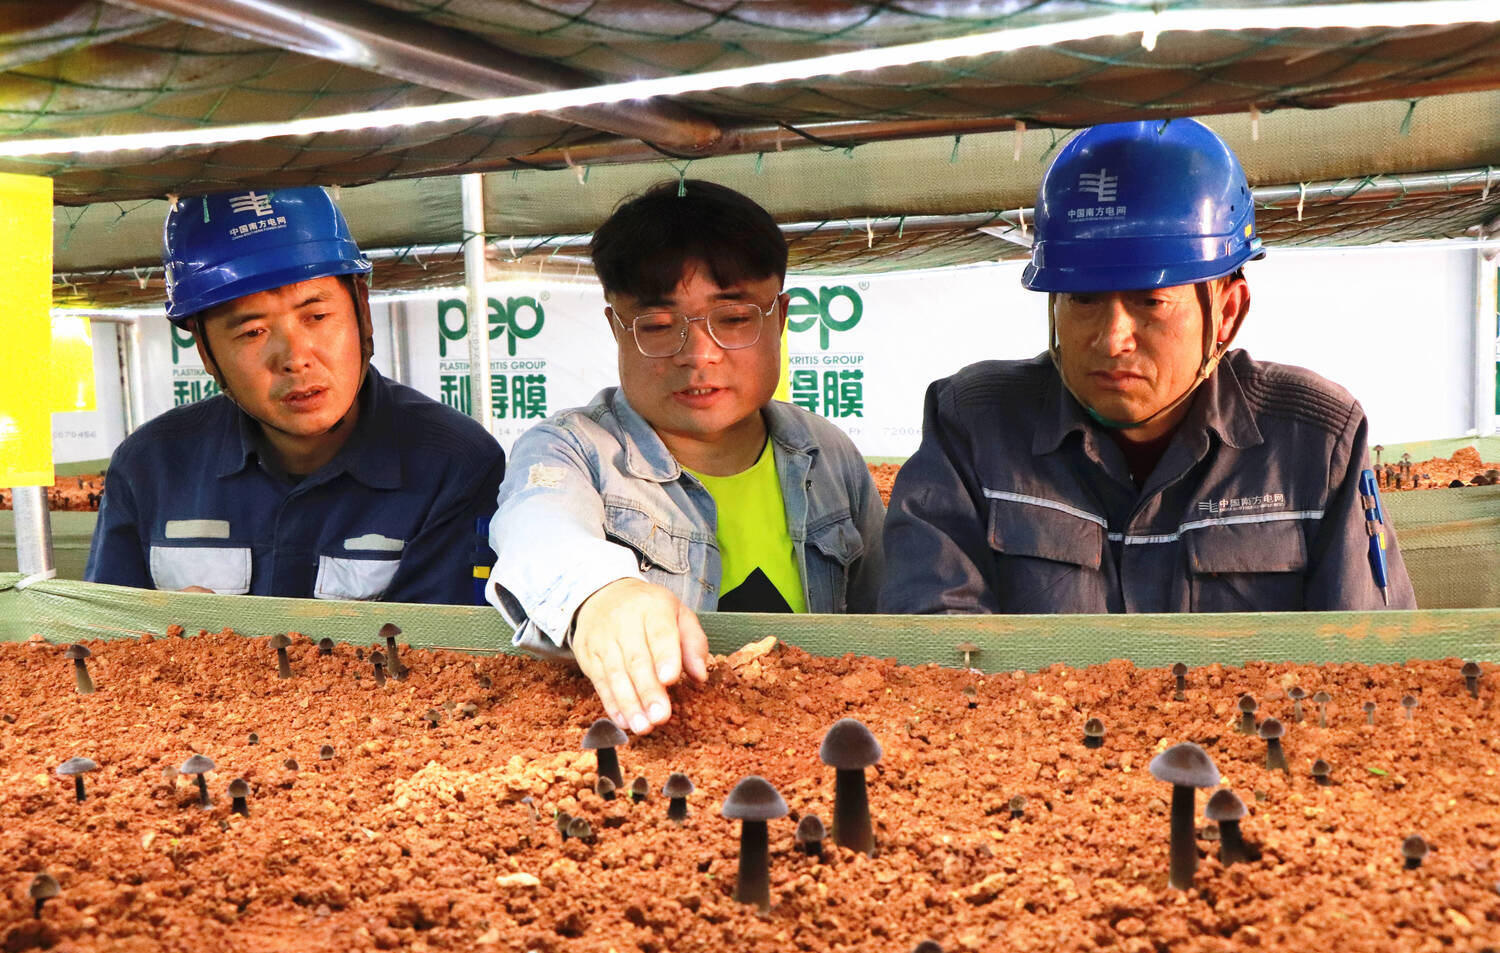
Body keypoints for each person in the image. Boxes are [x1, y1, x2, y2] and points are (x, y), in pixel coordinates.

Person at [881, 118, 1415, 614]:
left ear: (1227, 313)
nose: (1112, 339)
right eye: (1083, 299)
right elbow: (937, 653)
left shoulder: (1314, 445)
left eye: (1150, 301)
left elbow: (1366, 664)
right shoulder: (973, 429)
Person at [487, 180, 885, 734]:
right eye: (657, 325)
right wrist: (601, 596)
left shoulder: (827, 455)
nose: (699, 355)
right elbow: (536, 523)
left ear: (782, 316)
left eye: (734, 319)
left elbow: (883, 628)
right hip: (659, 758)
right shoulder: (575, 448)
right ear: (616, 328)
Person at [86, 187, 505, 604]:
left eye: (317, 316)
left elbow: (442, 656)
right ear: (204, 349)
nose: (295, 358)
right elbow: (103, 642)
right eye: (253, 332)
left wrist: (223, 650)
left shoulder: (453, 465)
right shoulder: (151, 466)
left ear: (362, 306)